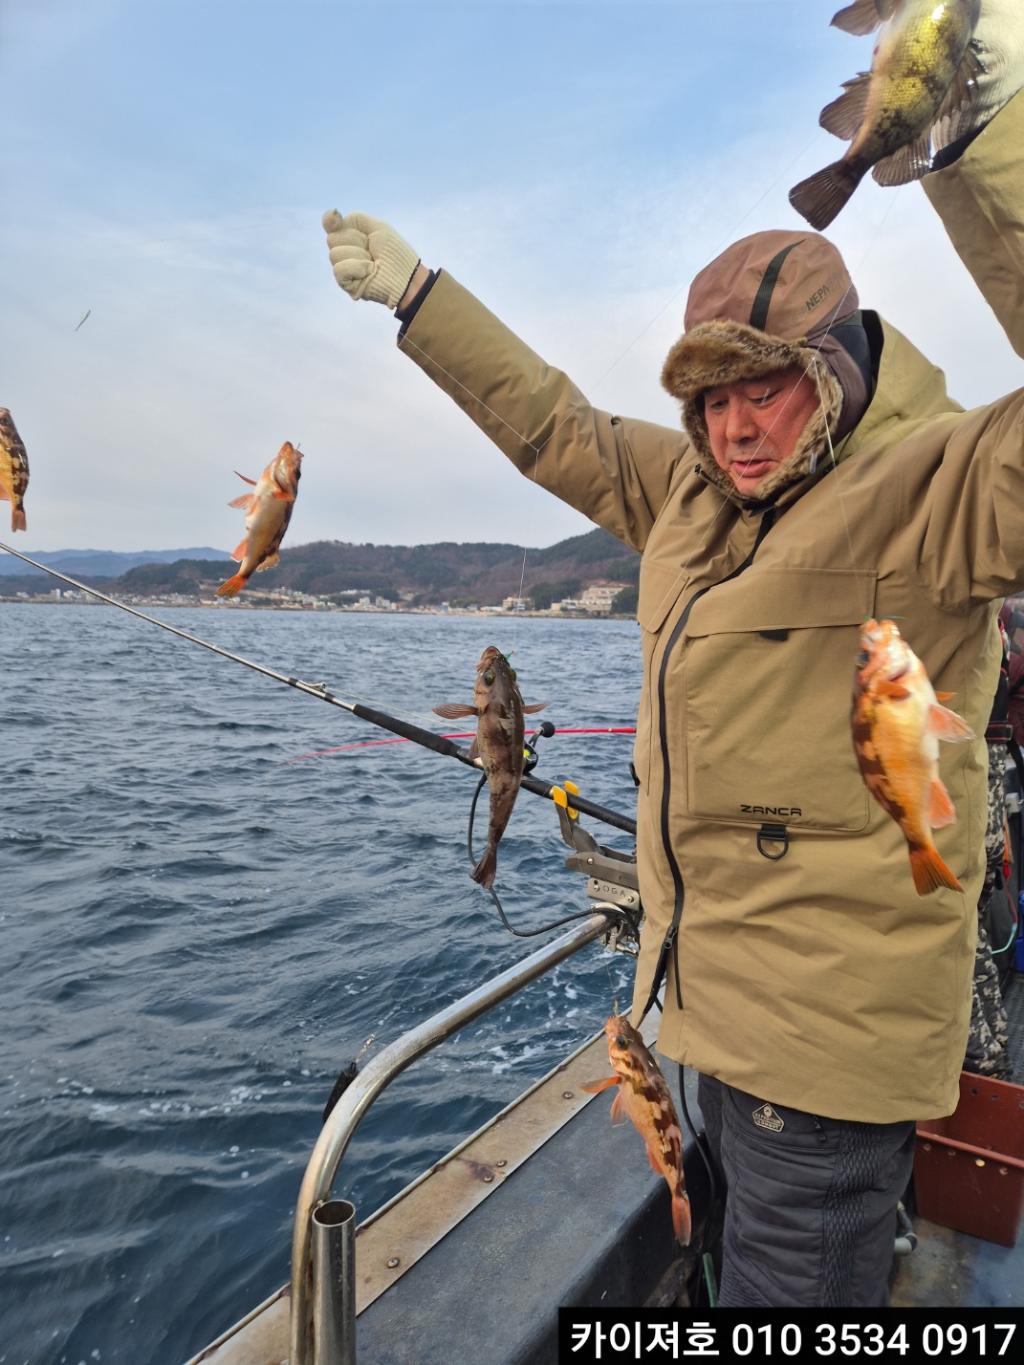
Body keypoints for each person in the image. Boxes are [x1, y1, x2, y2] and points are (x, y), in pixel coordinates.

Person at [320, 34, 1024, 1308]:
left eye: (767, 389)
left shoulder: (942, 493)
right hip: (699, 1015)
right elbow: (558, 427)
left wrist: (984, 144)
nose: (733, 427)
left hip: (821, 1066)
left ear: (842, 374)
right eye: (709, 399)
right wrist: (422, 296)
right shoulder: (695, 493)